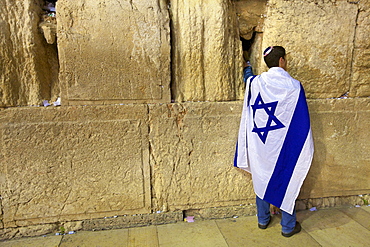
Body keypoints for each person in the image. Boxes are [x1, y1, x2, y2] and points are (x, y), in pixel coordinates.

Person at [234, 46, 314, 237]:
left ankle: (263, 219)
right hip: (284, 144)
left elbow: (248, 78)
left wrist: (247, 66)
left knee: (261, 176)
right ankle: (287, 226)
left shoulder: (256, 82)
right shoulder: (294, 86)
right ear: (281, 61)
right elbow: (300, 119)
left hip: (261, 144)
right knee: (288, 177)